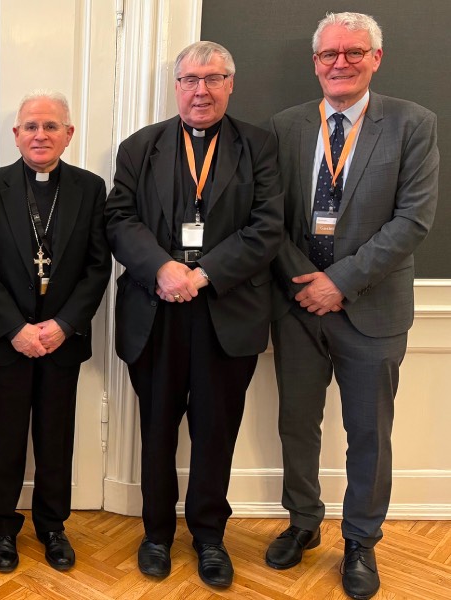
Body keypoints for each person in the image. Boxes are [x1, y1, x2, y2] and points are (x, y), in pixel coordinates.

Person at [266, 12, 438, 600]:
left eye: (354, 52)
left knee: (368, 432)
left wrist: (338, 282)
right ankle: (303, 522)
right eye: (329, 54)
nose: (340, 63)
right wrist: (304, 280)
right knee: (297, 425)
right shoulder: (286, 126)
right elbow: (270, 217)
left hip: (372, 308)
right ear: (315, 62)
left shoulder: (413, 123)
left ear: (376, 58)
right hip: (298, 306)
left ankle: (361, 541)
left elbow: (412, 221)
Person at [104, 41, 283, 589]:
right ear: (176, 85)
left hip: (226, 312)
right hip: (155, 312)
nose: (200, 91)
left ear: (231, 83)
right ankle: (156, 534)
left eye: (213, 78)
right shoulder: (141, 146)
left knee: (215, 432)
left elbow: (267, 227)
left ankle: (209, 537)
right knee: (157, 429)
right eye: (190, 79)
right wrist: (163, 268)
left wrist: (200, 275)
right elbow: (119, 219)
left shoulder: (259, 146)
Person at [0, 91, 111, 574]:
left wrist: (64, 325)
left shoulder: (90, 189)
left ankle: (52, 526)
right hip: (5, 340)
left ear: (69, 134)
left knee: (55, 438)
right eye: (31, 126)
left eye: (51, 126)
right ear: (16, 134)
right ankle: (1, 528)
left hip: (61, 340)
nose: (40, 135)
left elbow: (97, 266)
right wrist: (15, 329)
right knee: (2, 437)